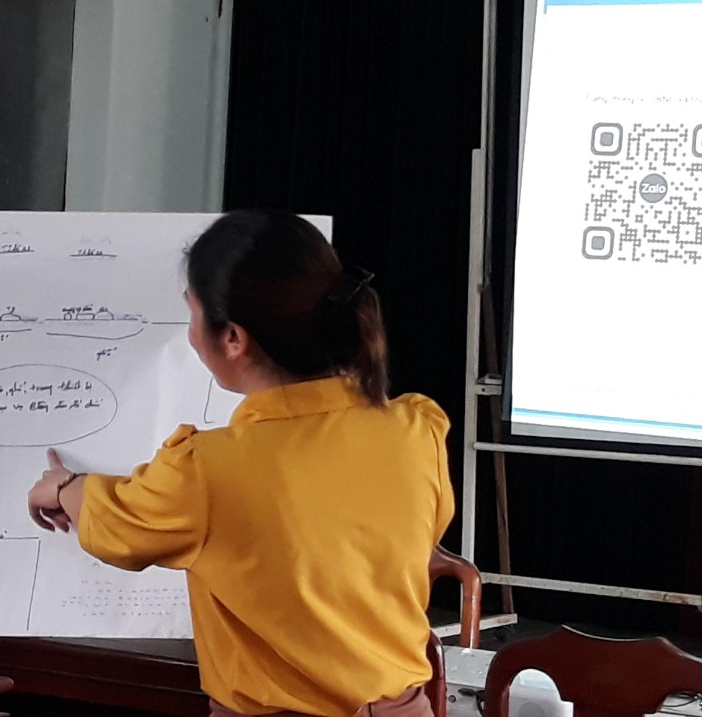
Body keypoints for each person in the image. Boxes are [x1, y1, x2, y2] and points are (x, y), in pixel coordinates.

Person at [27, 210, 454, 717]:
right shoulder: (417, 428)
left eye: (192, 314)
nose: (190, 335)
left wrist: (64, 486)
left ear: (233, 337)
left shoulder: (207, 470)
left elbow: (117, 524)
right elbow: (418, 531)